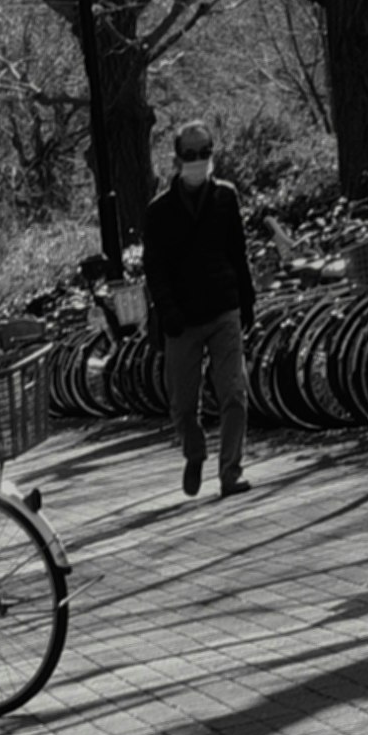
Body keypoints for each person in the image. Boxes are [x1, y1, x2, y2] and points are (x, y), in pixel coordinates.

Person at [138, 127, 255, 498]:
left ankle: (230, 472)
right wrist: (167, 310)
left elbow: (239, 250)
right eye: (189, 153)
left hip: (224, 308)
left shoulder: (225, 196)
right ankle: (195, 451)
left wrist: (247, 299)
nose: (197, 160)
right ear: (177, 158)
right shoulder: (159, 211)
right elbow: (154, 268)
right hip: (182, 319)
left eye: (203, 151)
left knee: (233, 392)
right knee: (183, 403)